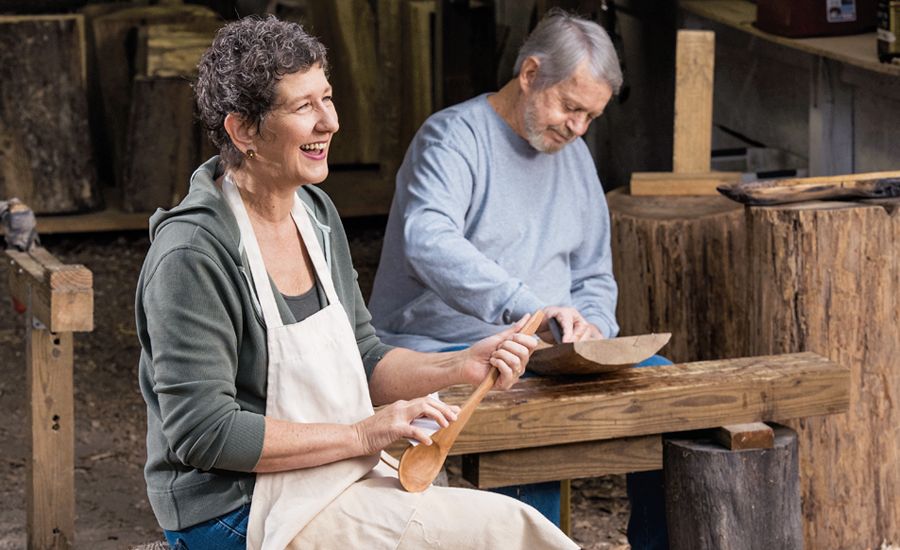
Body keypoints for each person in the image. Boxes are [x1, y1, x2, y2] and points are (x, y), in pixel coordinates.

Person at [135, 15, 578, 550]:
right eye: (304, 107)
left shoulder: (315, 213)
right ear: (244, 130)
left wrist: (461, 365)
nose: (330, 122)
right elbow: (204, 433)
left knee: (501, 526)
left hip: (330, 476)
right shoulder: (192, 255)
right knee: (510, 533)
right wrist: (362, 434)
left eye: (328, 97)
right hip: (235, 511)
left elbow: (363, 357)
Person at [368, 8, 669, 549]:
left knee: (667, 393)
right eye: (571, 107)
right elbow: (429, 241)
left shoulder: (573, 157)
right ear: (530, 75)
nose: (578, 128)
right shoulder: (452, 138)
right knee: (530, 427)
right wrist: (530, 308)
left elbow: (594, 272)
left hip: (544, 352)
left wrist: (592, 329)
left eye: (590, 117)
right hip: (442, 348)